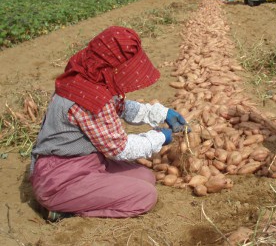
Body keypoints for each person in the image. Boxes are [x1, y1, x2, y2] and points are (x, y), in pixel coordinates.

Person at [29, 26, 188, 221]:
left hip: (89, 161)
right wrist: (160, 137)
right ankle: (63, 208)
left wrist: (160, 113)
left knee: (147, 177)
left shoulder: (87, 75)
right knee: (145, 196)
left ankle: (85, 194)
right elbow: (120, 149)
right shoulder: (89, 99)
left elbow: (118, 107)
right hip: (60, 179)